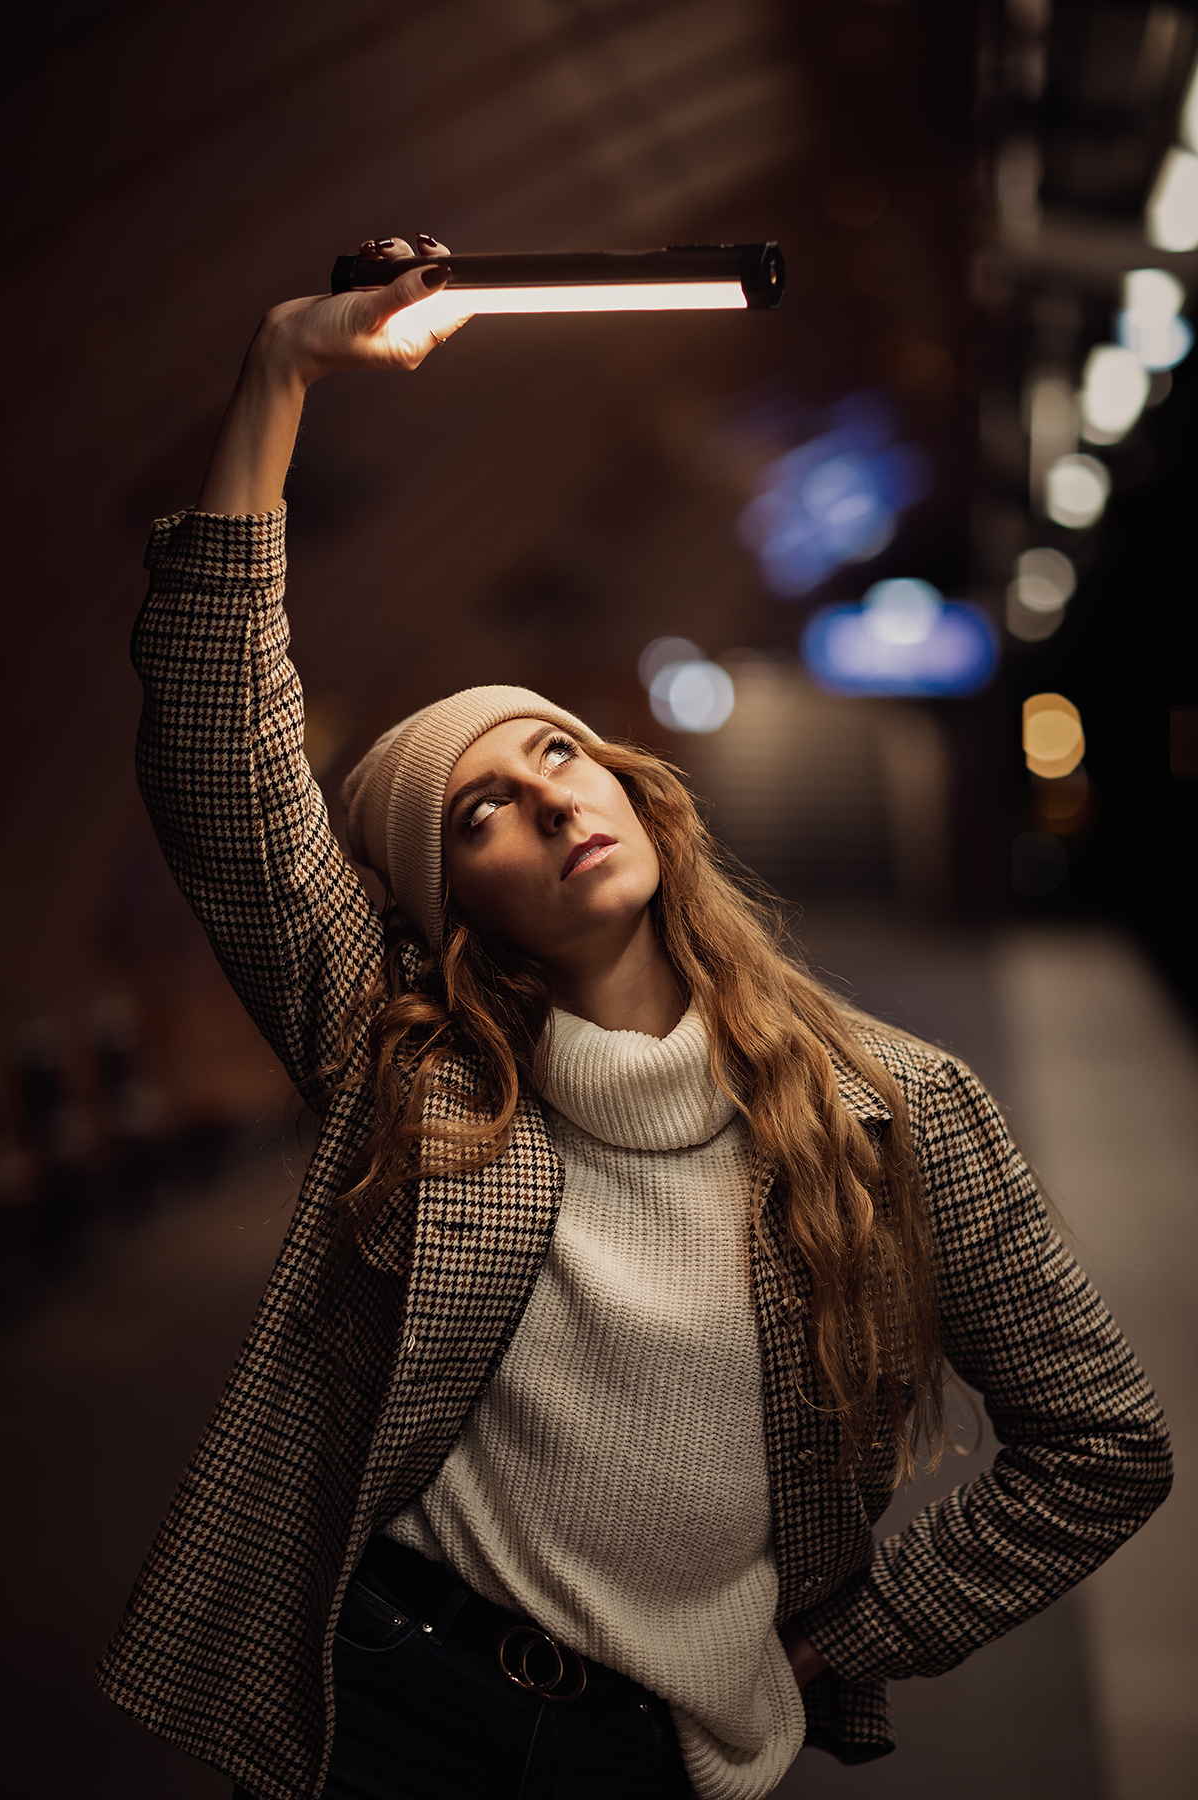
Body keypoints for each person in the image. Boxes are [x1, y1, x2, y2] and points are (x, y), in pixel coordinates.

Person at [97, 237, 1171, 1800]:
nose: (544, 794)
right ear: (448, 905)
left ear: (631, 790)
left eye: (558, 756)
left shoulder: (893, 1104)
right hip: (398, 1698)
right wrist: (281, 377)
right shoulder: (410, 1065)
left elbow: (1103, 1443)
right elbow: (216, 755)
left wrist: (859, 1634)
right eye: (479, 815)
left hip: (663, 1751)